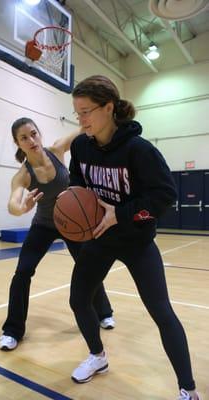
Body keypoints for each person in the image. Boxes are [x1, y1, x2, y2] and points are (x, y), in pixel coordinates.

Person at [68, 76, 200, 400]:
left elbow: (164, 200)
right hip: (99, 238)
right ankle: (97, 357)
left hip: (138, 240)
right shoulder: (80, 146)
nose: (81, 120)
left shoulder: (139, 150)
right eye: (77, 113)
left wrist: (124, 214)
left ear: (108, 108)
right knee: (78, 299)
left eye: (86, 112)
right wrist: (76, 208)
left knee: (161, 311)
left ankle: (188, 389)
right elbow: (77, 185)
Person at [0, 117, 115, 351]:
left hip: (73, 225)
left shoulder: (57, 150)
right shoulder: (22, 175)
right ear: (17, 143)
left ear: (39, 134)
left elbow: (83, 128)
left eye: (34, 133)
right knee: (22, 272)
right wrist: (21, 208)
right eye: (24, 138)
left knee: (88, 268)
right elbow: (13, 202)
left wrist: (94, 114)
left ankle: (104, 312)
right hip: (43, 226)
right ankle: (12, 330)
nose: (31, 140)